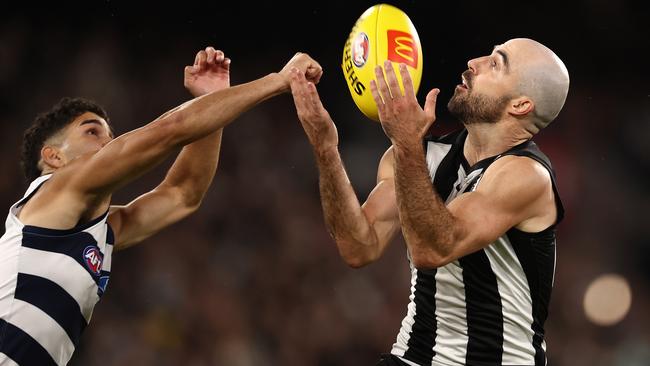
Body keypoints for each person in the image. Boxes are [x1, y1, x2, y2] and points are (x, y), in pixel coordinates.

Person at [0, 47, 322, 366]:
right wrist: (280, 79)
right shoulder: (53, 189)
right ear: (53, 156)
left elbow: (184, 193)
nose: (108, 144)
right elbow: (169, 130)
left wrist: (209, 102)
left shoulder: (101, 233)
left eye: (110, 136)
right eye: (92, 131)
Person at [289, 38, 569, 366]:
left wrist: (407, 143)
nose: (473, 62)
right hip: (412, 356)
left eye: (496, 63)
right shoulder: (421, 155)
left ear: (520, 105)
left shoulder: (527, 175)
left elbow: (433, 248)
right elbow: (358, 246)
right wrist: (325, 148)